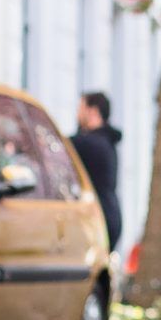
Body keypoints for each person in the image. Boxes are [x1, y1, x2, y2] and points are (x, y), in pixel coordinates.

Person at [68, 92, 123, 254]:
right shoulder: (106, 142)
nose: (77, 114)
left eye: (81, 108)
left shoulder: (91, 144)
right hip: (109, 215)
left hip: (99, 219)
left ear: (93, 111)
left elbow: (61, 144)